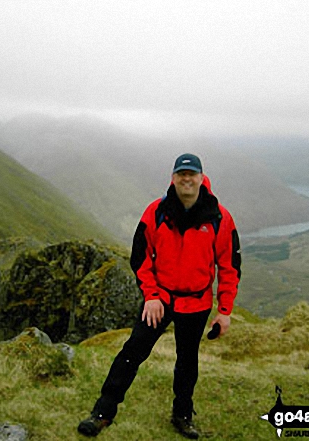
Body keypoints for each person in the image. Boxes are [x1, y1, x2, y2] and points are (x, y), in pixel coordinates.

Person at [77, 153, 241, 439]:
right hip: (160, 300)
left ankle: (183, 416)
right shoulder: (156, 212)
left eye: (192, 174)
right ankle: (103, 412)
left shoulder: (219, 218)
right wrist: (151, 295)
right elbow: (140, 256)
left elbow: (230, 266)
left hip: (197, 302)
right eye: (181, 174)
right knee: (131, 353)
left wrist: (224, 310)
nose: (186, 179)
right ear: (173, 178)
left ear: (202, 179)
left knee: (187, 362)